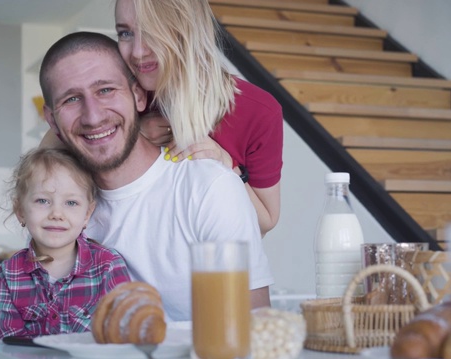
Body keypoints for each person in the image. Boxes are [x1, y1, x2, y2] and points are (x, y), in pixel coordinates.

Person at [39, 31, 272, 321]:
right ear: (52, 120)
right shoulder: (58, 211)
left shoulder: (209, 188)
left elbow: (254, 330)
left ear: (138, 95)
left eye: (106, 90)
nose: (93, 116)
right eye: (72, 99)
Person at [42, 0, 283, 235]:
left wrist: (226, 162)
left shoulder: (256, 110)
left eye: (152, 32)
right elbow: (43, 162)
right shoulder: (117, 92)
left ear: (187, 30)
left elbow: (266, 221)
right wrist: (132, 135)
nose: (137, 52)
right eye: (125, 33)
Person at [0, 147, 131, 340]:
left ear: (87, 214)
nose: (56, 214)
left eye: (71, 203)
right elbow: (5, 347)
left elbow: (125, 340)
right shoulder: (10, 273)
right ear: (20, 210)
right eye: (42, 200)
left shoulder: (108, 266)